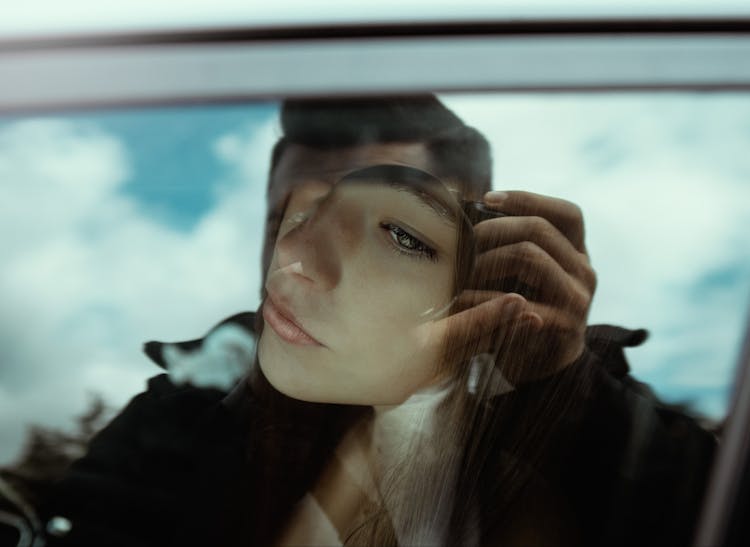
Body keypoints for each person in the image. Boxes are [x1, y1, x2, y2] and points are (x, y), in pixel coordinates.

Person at [33, 96, 715, 546]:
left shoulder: (568, 393)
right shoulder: (192, 408)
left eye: (393, 231)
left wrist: (568, 393)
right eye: (289, 220)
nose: (303, 263)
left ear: (480, 249)